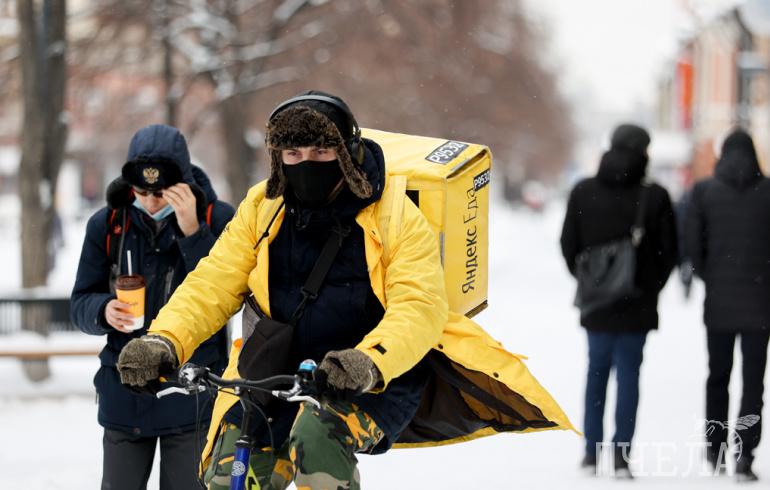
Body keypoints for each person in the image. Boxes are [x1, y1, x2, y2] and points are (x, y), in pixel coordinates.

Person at [116, 91, 575, 490]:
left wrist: (368, 361)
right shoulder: (264, 207)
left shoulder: (394, 214)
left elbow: (419, 304)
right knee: (229, 470)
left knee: (315, 439)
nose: (306, 164)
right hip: (274, 370)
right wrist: (164, 339)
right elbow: (212, 282)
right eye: (292, 155)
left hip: (368, 372)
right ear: (278, 159)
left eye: (320, 151)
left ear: (347, 151)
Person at [70, 124, 235, 490]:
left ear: (183, 182)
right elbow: (80, 301)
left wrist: (193, 234)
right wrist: (102, 310)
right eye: (141, 191)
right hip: (124, 391)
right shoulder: (109, 223)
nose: (150, 201)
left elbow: (228, 295)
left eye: (160, 192)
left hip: (192, 393)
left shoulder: (217, 219)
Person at [560, 123, 678, 478]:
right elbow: (670, 251)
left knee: (595, 373)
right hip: (637, 306)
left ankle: (591, 453)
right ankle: (622, 456)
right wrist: (646, 285)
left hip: (596, 305)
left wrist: (592, 279)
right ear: (644, 152)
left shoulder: (583, 191)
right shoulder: (654, 196)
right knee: (629, 377)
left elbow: (568, 244)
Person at [685, 128, 770, 482]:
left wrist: (711, 276)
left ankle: (715, 448)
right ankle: (745, 456)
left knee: (717, 376)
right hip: (761, 303)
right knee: (754, 382)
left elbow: (692, 245)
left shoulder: (704, 191)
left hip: (719, 302)